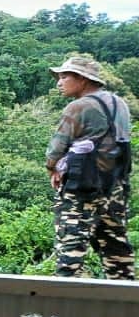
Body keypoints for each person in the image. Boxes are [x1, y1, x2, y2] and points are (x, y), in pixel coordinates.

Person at [45, 57, 134, 279]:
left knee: (70, 248)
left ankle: (65, 298)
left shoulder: (78, 106)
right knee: (117, 250)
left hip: (82, 187)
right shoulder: (120, 104)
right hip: (115, 186)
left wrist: (52, 169)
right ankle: (126, 296)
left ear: (83, 79)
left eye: (64, 76)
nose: (59, 82)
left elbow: (57, 148)